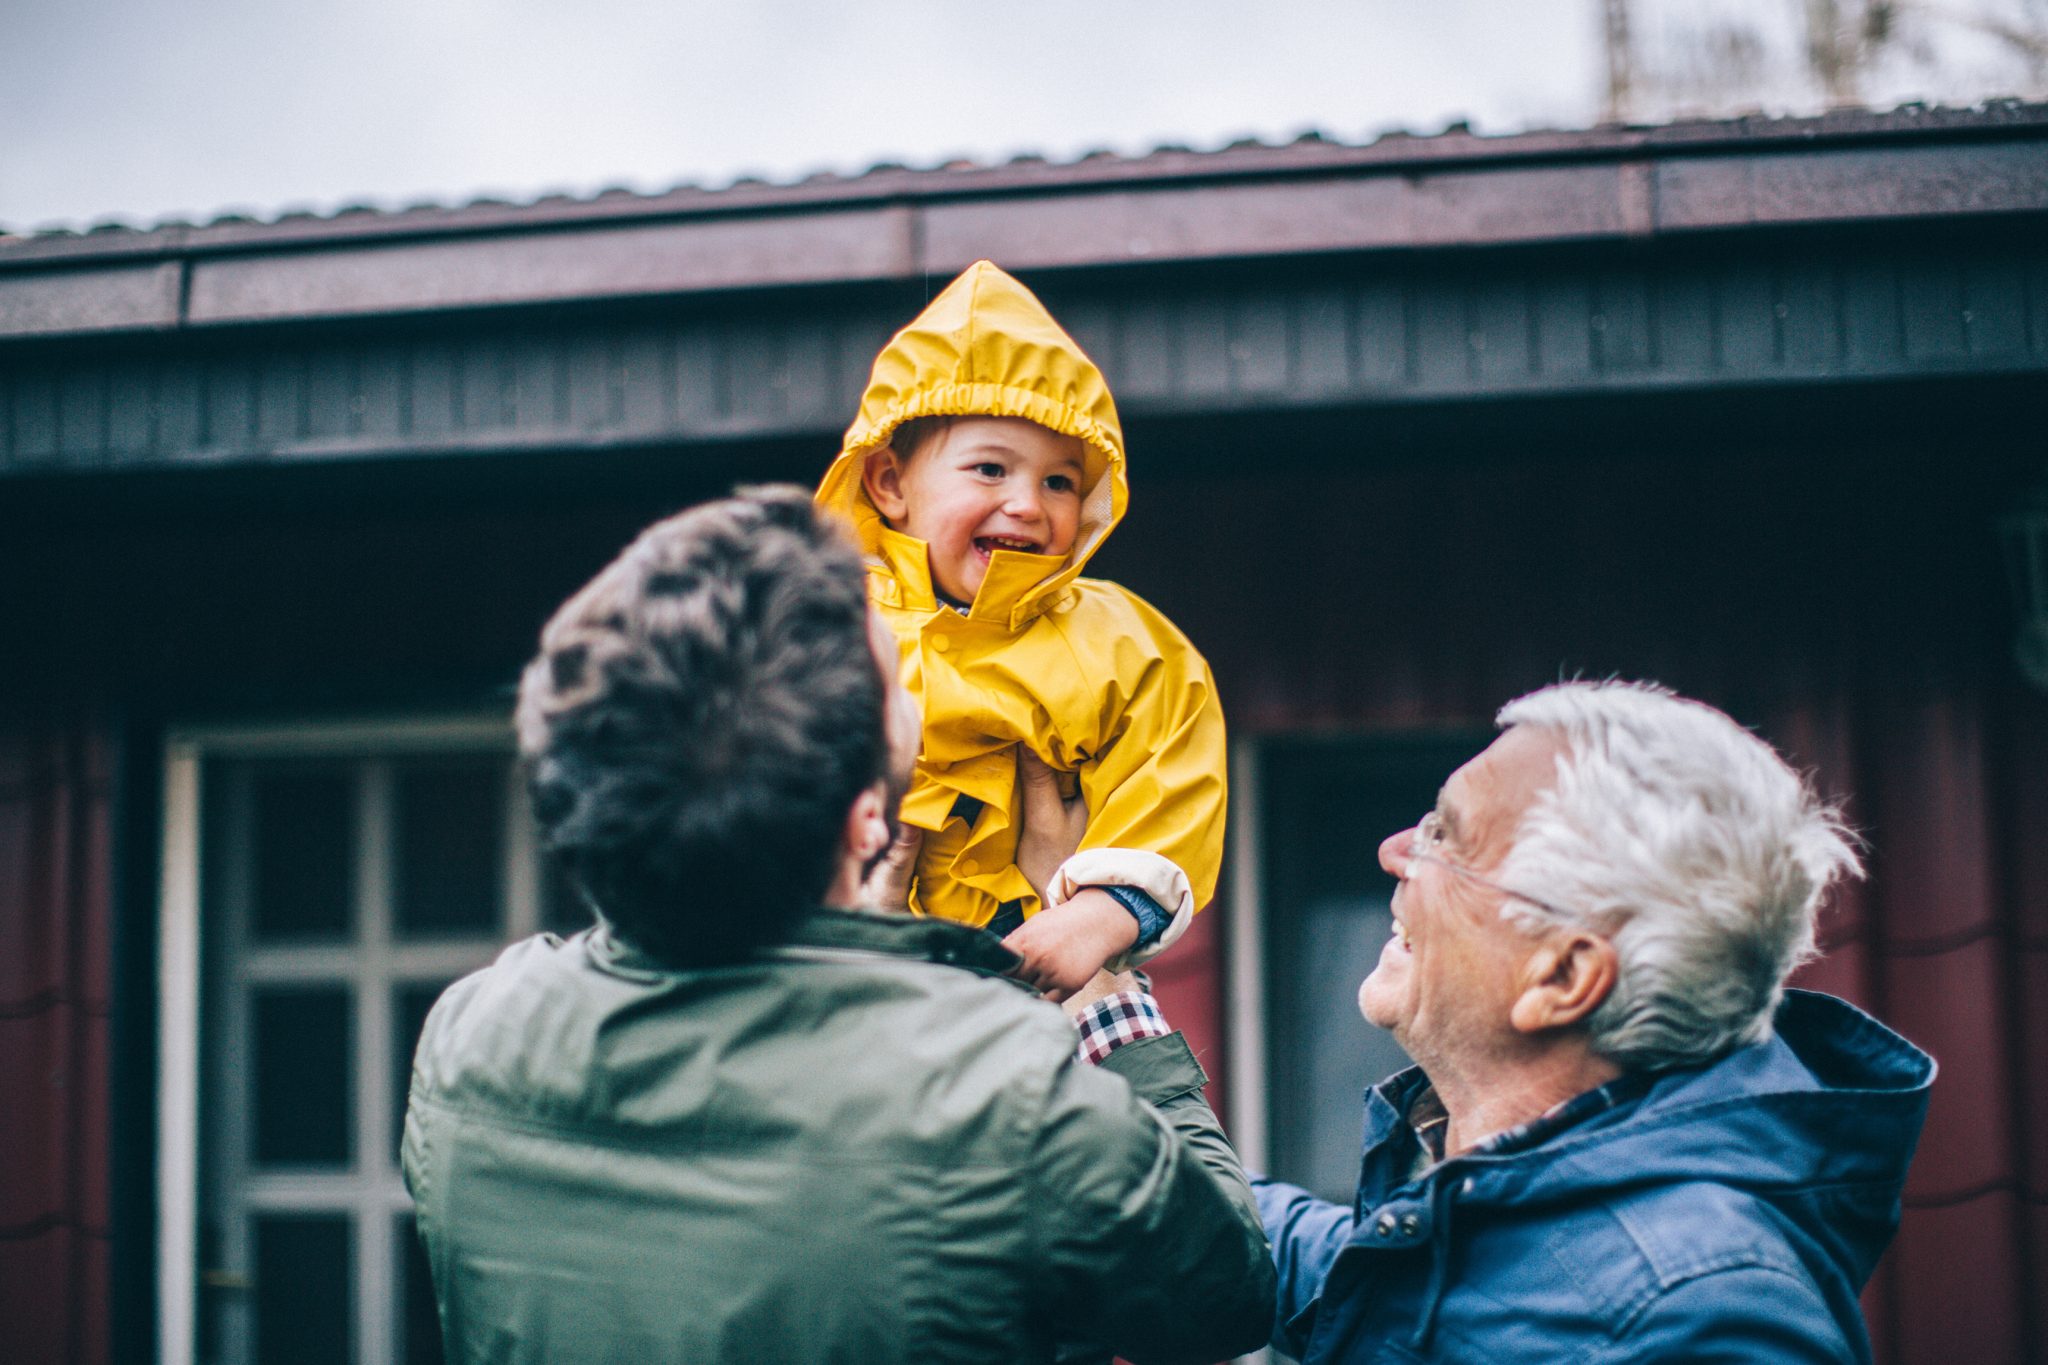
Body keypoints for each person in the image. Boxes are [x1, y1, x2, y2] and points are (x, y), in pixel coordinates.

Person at [401, 487, 1275, 1365]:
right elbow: (1225, 1298)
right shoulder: (994, 1091)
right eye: (899, 684)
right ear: (866, 822)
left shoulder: (470, 1037)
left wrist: (867, 925)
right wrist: (1100, 979)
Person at [1256, 681, 1934, 1364]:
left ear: (1561, 978)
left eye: (1446, 836)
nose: (1394, 849)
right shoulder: (1495, 1225)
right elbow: (1277, 1250)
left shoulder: (1700, 1323)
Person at [815, 259, 1226, 998]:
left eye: (1059, 481)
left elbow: (1172, 773)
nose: (1028, 505)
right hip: (857, 965)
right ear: (888, 484)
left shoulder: (1118, 640)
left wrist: (1095, 919)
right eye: (989, 469)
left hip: (1040, 957)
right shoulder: (830, 633)